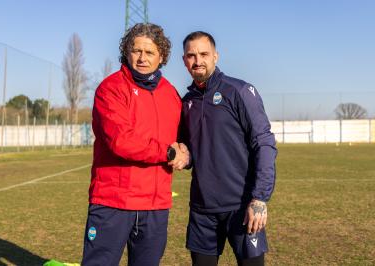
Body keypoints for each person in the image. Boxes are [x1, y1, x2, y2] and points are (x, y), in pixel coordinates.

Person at [82, 23, 189, 266]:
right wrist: (168, 151)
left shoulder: (171, 94)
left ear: (161, 56)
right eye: (136, 50)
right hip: (113, 202)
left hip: (156, 204)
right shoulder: (111, 88)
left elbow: (183, 137)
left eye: (149, 52)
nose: (142, 58)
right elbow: (121, 141)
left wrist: (185, 152)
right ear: (126, 52)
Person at [180, 31, 277, 266]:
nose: (197, 61)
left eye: (204, 54)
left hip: (242, 207)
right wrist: (183, 156)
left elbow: (263, 143)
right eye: (191, 55)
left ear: (215, 56)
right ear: (184, 60)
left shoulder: (239, 91)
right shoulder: (186, 102)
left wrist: (259, 199)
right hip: (202, 210)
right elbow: (190, 151)